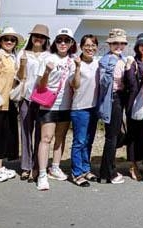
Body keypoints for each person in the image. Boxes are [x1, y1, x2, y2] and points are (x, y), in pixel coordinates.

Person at [35, 28, 77, 191]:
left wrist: (78, 68)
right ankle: (42, 174)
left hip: (66, 105)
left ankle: (55, 167)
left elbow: (75, 84)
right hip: (48, 104)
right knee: (46, 138)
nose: (63, 43)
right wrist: (47, 71)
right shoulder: (48, 58)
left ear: (71, 43)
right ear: (55, 42)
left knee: (60, 137)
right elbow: (40, 86)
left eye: (66, 40)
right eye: (59, 40)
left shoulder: (73, 60)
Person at [16, 24, 50, 182]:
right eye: (36, 36)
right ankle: (26, 166)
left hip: (42, 98)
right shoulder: (22, 53)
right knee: (26, 132)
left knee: (40, 134)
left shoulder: (49, 55)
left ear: (46, 40)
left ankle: (37, 166)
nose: (39, 39)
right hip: (26, 97)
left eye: (42, 37)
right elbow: (19, 76)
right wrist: (23, 64)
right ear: (31, 37)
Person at [97, 28, 128, 185]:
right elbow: (103, 84)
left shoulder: (123, 59)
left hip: (121, 98)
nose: (118, 46)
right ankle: (107, 173)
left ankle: (107, 169)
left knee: (118, 135)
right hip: (112, 99)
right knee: (112, 137)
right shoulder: (106, 60)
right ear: (109, 44)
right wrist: (109, 69)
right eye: (115, 43)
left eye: (122, 43)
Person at [70, 34, 100, 187]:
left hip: (94, 107)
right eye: (87, 45)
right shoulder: (75, 62)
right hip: (79, 108)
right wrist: (77, 68)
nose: (90, 48)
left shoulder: (98, 63)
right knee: (79, 141)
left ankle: (86, 169)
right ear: (81, 47)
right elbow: (75, 85)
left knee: (88, 141)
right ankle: (76, 173)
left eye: (93, 45)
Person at [0, 28, 25, 183]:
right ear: (0, 41)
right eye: (6, 39)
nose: (9, 42)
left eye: (12, 40)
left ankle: (0, 166)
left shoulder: (12, 57)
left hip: (8, 102)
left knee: (3, 135)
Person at [125, 33, 143, 181]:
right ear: (137, 46)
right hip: (135, 103)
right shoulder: (133, 62)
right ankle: (132, 165)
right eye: (142, 44)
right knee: (133, 136)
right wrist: (129, 67)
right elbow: (130, 83)